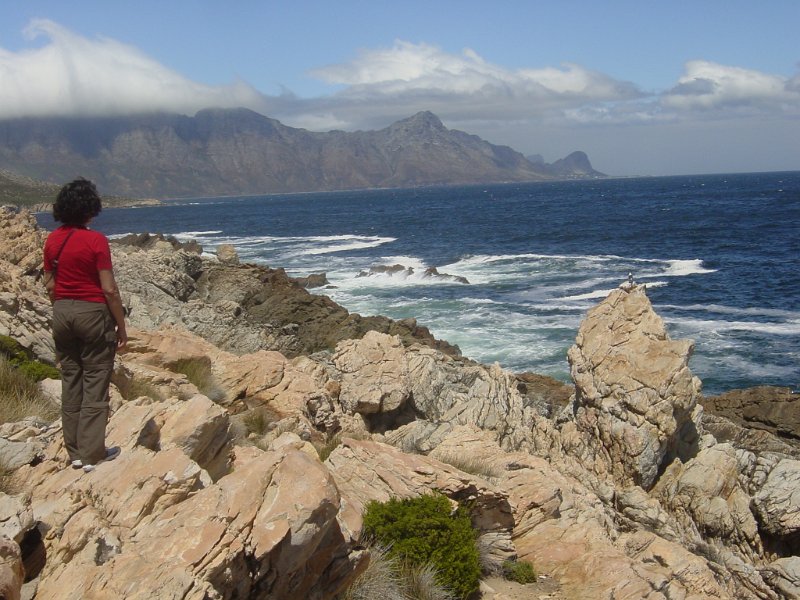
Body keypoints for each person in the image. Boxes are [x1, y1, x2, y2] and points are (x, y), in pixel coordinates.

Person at [42, 178, 127, 473]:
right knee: (95, 380)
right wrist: (121, 326)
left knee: (71, 379)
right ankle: (93, 454)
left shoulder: (52, 240)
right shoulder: (96, 241)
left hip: (62, 312)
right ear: (90, 209)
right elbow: (109, 289)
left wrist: (63, 307)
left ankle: (75, 452)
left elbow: (50, 285)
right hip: (92, 313)